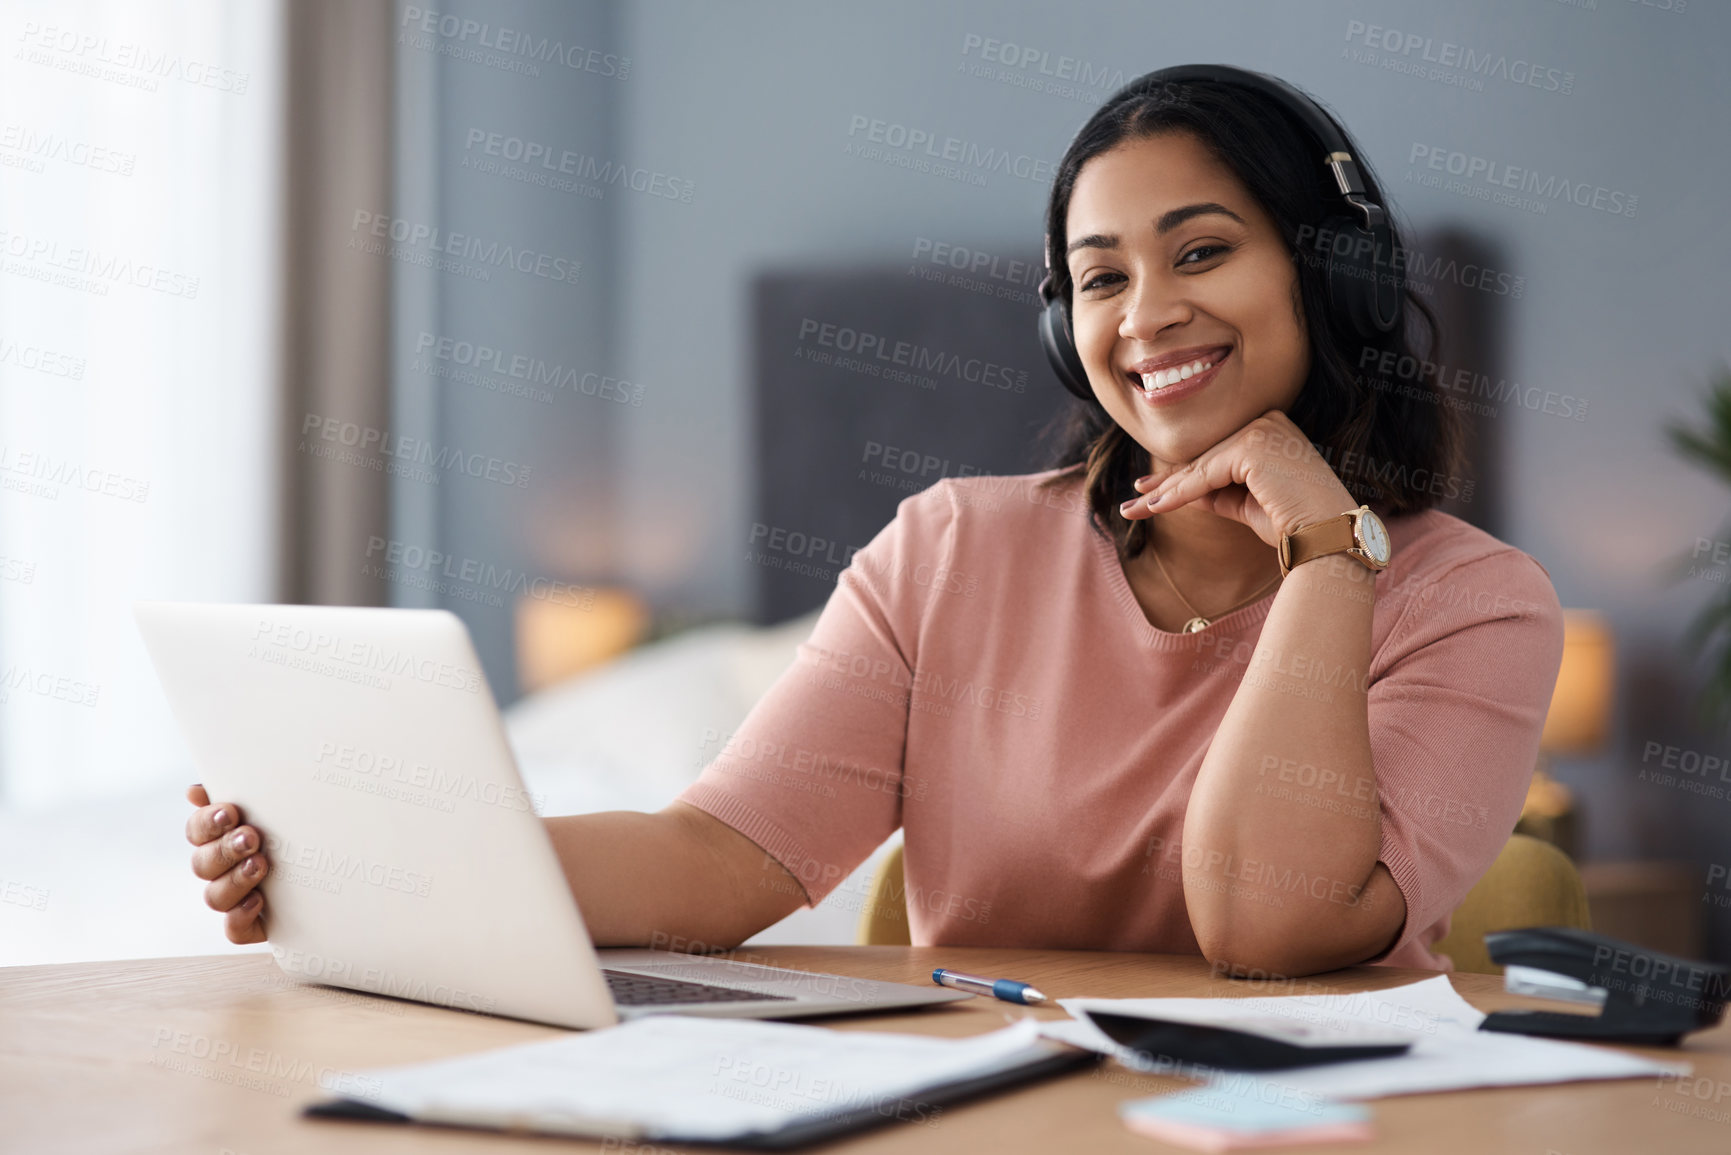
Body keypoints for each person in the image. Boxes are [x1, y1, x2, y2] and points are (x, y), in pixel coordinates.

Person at [185, 68, 1563, 978]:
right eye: (1098, 280)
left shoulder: (1479, 605)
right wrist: (370, 855)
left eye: (1202, 251)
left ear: (1336, 277)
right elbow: (719, 862)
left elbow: (1268, 928)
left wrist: (1327, 554)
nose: (1145, 317)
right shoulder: (956, 549)